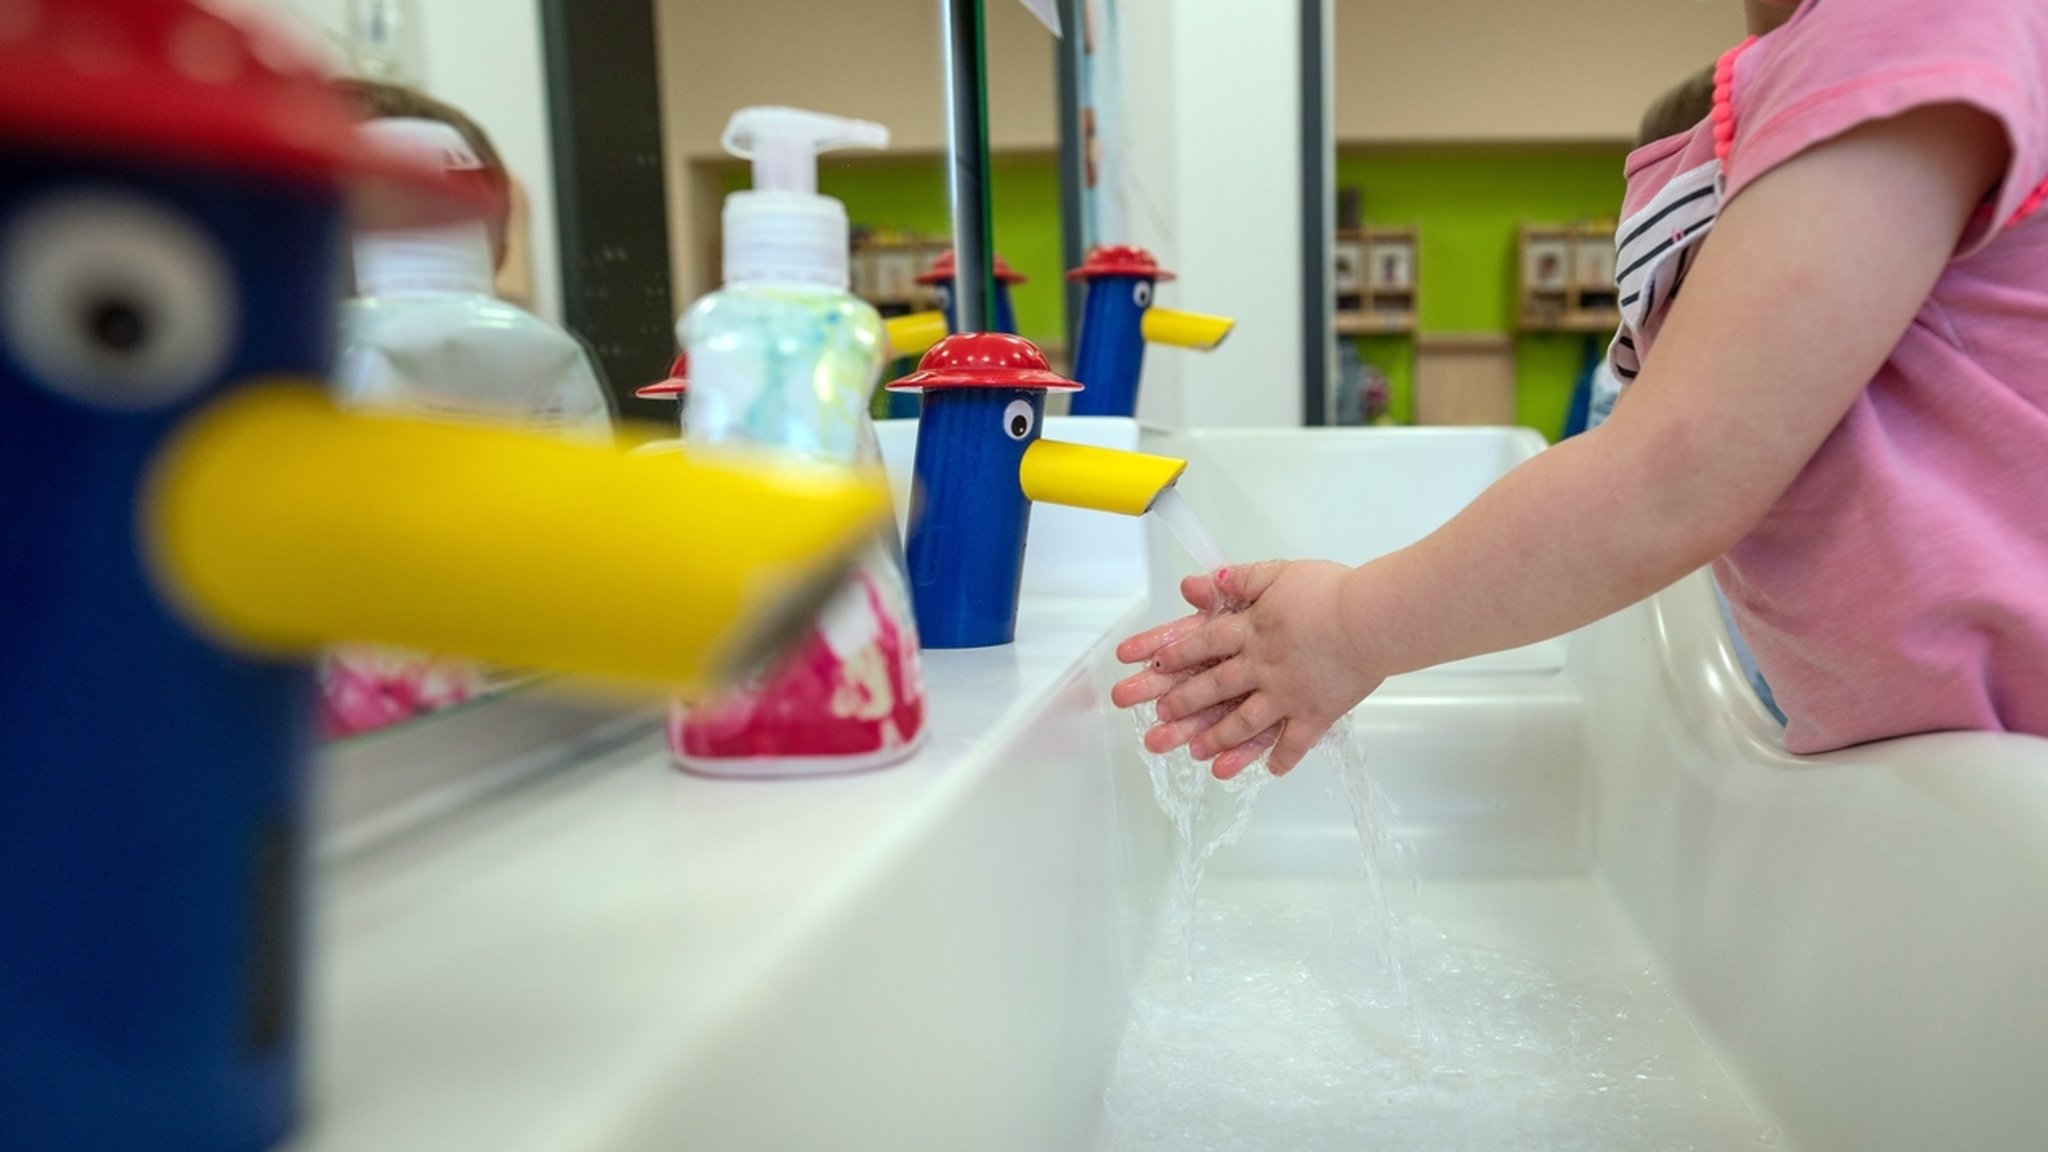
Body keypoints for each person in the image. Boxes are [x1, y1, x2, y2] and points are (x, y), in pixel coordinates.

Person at [1116, 0, 2048, 774]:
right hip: (1944, 780)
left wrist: (1352, 626)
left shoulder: (1918, 17)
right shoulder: (1845, 59)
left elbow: (1671, 474)